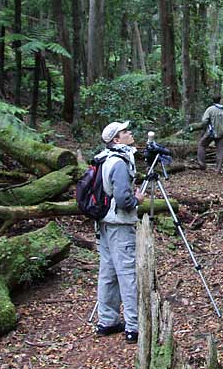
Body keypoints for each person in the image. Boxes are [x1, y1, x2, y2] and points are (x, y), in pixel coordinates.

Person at [93, 120, 145, 344]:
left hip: (104, 223)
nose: (129, 133)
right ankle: (133, 326)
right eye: (125, 131)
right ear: (116, 139)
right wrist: (138, 200)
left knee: (108, 273)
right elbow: (124, 200)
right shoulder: (120, 162)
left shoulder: (103, 158)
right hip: (119, 225)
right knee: (127, 274)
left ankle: (107, 321)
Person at [195, 95, 223, 173]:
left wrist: (204, 128)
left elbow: (204, 121)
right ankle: (218, 169)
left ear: (213, 101)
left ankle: (202, 164)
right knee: (219, 150)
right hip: (221, 133)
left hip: (210, 132)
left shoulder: (210, 109)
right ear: (220, 100)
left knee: (201, 145)